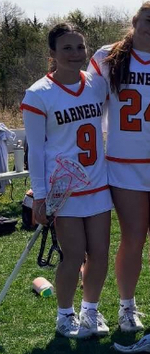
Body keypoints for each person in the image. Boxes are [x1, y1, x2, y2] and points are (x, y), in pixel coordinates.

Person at [89, 0, 150, 332]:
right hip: (124, 163)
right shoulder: (106, 56)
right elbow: (90, 108)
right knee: (133, 237)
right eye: (149, 21)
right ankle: (127, 306)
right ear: (135, 20)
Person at [21, 23, 112, 338]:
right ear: (52, 53)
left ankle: (91, 310)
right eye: (67, 48)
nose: (75, 54)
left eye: (80, 47)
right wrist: (40, 195)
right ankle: (65, 316)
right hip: (65, 189)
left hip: (97, 183)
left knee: (100, 253)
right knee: (73, 255)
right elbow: (36, 151)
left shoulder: (97, 84)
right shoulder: (38, 94)